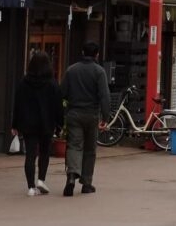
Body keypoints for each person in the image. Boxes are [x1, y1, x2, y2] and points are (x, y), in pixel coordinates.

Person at [60, 40, 112, 196]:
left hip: (74, 114)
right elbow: (104, 96)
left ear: (82, 53)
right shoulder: (99, 72)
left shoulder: (71, 70)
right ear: (96, 55)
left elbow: (62, 93)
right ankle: (86, 183)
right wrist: (105, 117)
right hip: (92, 115)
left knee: (74, 146)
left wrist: (63, 113)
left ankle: (71, 176)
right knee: (90, 149)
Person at [12, 51, 64, 196]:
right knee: (44, 152)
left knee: (30, 154)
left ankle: (30, 187)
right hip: (46, 123)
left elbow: (18, 104)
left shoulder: (24, 83)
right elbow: (58, 106)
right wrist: (60, 124)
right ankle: (41, 179)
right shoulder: (52, 83)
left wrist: (14, 125)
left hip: (28, 124)